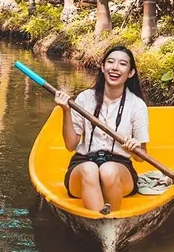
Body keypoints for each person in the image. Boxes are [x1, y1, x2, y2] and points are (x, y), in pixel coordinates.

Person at [54, 45, 149, 215]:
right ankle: (101, 222)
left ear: (131, 72)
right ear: (103, 67)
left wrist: (134, 148)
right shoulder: (85, 98)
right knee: (90, 169)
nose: (115, 67)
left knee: (108, 170)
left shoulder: (137, 105)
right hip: (83, 165)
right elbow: (70, 145)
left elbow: (141, 156)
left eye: (122, 64)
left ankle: (110, 222)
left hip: (120, 168)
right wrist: (66, 111)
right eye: (110, 62)